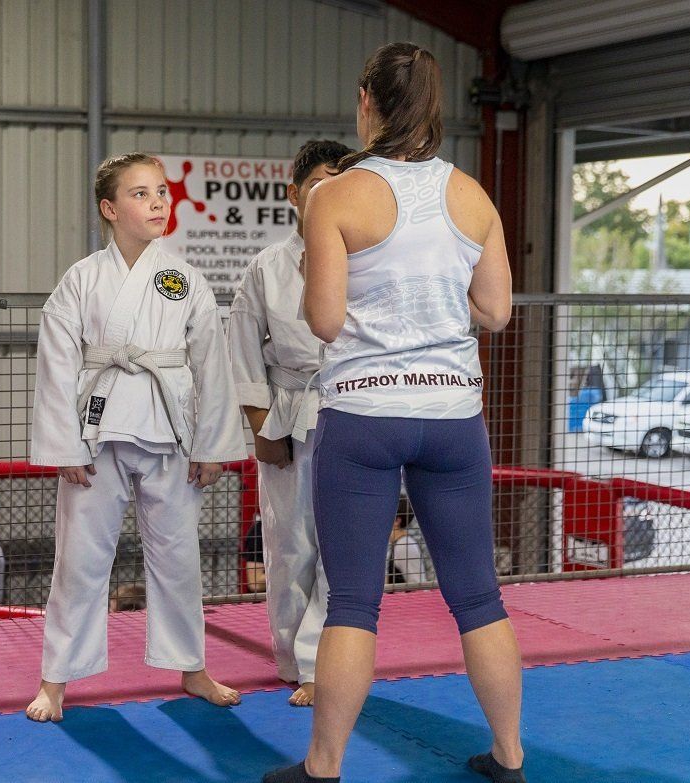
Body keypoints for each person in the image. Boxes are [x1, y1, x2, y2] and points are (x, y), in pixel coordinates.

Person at [264, 43, 525, 783]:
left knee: (353, 600)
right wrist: (440, 301)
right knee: (477, 595)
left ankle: (323, 766)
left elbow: (322, 318)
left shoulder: (336, 195)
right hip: (452, 413)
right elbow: (498, 311)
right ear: (436, 106)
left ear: (366, 102)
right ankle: (510, 757)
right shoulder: (472, 195)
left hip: (365, 412)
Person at [26, 152, 249, 722]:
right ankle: (55, 679)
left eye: (161, 192)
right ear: (109, 208)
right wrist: (64, 447)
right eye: (141, 194)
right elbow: (56, 362)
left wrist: (212, 443)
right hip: (96, 436)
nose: (157, 202)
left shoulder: (185, 279)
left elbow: (211, 364)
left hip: (169, 431)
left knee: (179, 558)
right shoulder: (81, 279)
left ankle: (192, 666)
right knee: (79, 561)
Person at [229, 139, 353, 707]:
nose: (331, 193)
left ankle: (326, 663)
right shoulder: (266, 267)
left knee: (345, 542)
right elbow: (243, 352)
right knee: (289, 542)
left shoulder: (366, 257)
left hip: (355, 407)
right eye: (322, 181)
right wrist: (262, 425)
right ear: (295, 194)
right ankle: (293, 659)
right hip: (288, 407)